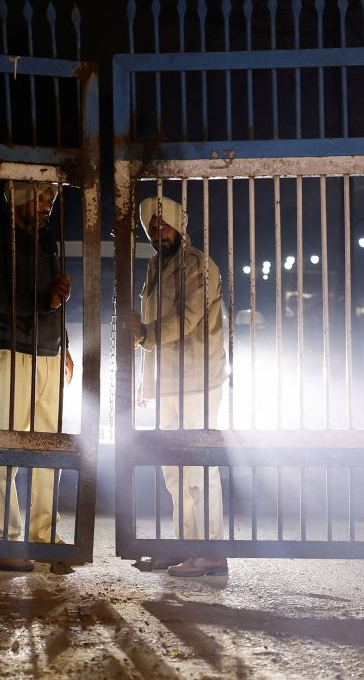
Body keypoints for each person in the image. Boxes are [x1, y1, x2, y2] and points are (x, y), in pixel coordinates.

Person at [126, 196, 229, 577]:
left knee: (199, 468)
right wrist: (145, 382)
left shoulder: (198, 265)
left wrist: (145, 334)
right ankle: (186, 546)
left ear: (178, 225)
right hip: (167, 382)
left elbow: (185, 318)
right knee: (174, 472)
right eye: (150, 227)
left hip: (198, 380)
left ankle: (211, 552)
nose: (157, 233)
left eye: (162, 224)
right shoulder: (156, 265)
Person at [0, 180, 73, 572]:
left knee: (49, 451)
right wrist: (47, 302)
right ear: (18, 198)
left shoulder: (46, 244)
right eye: (41, 196)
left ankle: (44, 536)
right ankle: (1, 541)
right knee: (5, 450)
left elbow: (54, 301)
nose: (47, 204)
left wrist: (64, 344)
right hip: (12, 353)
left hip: (48, 355)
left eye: (51, 197)